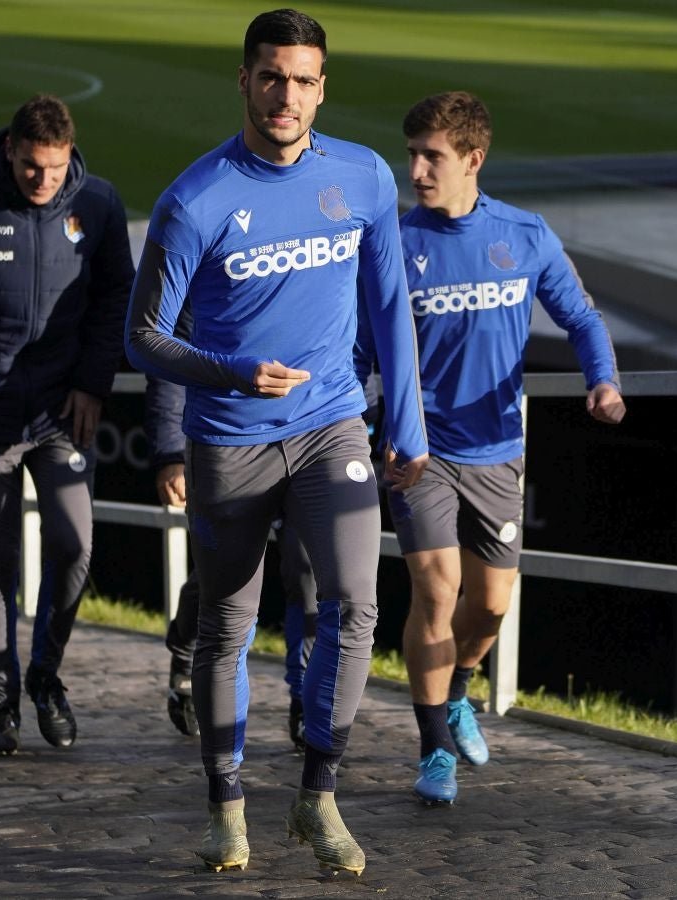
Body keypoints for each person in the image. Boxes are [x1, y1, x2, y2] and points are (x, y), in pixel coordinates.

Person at [126, 8, 429, 876]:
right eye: (270, 77)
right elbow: (142, 338)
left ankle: (318, 797)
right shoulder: (196, 199)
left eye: (302, 80)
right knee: (228, 624)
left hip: (330, 423)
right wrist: (227, 371)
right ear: (244, 81)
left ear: (322, 87)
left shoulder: (366, 178)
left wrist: (404, 426)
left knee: (355, 601)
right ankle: (226, 807)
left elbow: (388, 311)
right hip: (229, 439)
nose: (285, 95)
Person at [393, 91, 626, 805]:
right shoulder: (393, 242)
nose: (418, 169)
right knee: (436, 589)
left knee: (490, 606)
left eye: (432, 155)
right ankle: (434, 750)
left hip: (497, 449)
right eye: (413, 155)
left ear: (472, 159)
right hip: (420, 450)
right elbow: (352, 343)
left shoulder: (523, 235)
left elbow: (581, 318)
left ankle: (458, 692)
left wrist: (603, 382)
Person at [0, 94, 135, 755]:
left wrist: (91, 383)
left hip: (59, 413)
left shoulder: (96, 205)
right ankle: (0, 697)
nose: (41, 180)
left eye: (54, 167)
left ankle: (45, 676)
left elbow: (114, 300)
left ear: (68, 155)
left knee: (75, 543)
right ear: (10, 149)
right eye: (30, 167)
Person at [145, 305, 318, 748]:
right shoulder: (215, 259)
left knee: (307, 574)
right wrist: (169, 454)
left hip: (310, 442)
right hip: (229, 444)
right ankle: (185, 651)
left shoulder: (322, 245)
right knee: (221, 577)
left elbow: (353, 341)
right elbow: (168, 358)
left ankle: (304, 704)